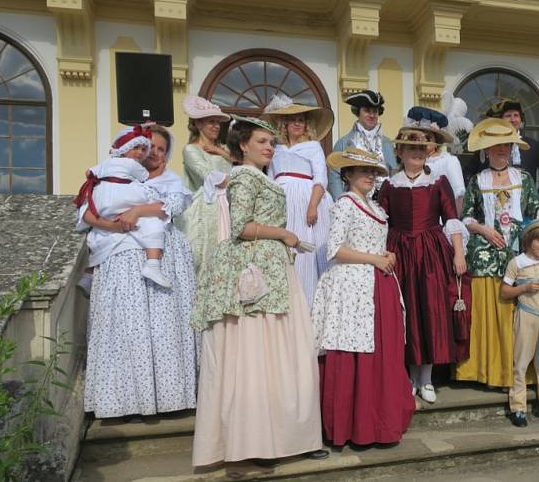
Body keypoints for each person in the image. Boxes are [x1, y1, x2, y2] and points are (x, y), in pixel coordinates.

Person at [190, 116, 327, 467]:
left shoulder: (259, 177)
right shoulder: (243, 177)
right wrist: (283, 234)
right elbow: (241, 226)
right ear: (243, 146)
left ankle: (285, 436)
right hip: (257, 270)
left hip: (273, 266)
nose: (269, 147)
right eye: (262, 142)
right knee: (261, 353)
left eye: (271, 143)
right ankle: (256, 440)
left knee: (281, 351)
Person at [79, 126, 198, 419]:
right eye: (149, 147)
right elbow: (88, 212)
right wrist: (115, 225)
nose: (153, 153)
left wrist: (138, 211)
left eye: (160, 148)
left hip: (163, 257)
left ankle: (169, 398)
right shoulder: (109, 180)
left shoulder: (171, 183)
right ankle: (125, 400)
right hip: (120, 257)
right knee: (124, 326)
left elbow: (173, 205)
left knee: (164, 327)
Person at [311, 147, 415, 447]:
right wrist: (374, 259)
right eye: (362, 171)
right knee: (354, 353)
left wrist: (386, 254)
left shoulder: (374, 207)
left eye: (373, 172)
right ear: (348, 175)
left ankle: (378, 420)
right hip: (353, 287)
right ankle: (353, 425)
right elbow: (335, 249)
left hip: (376, 283)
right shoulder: (345, 204)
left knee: (381, 353)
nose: (370, 176)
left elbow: (369, 243)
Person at [377, 106, 470, 405]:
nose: (417, 153)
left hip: (431, 251)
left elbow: (451, 219)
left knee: (430, 312)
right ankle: (407, 376)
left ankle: (426, 378)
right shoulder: (390, 185)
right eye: (411, 149)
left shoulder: (437, 183)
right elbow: (382, 221)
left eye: (422, 148)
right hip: (400, 251)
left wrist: (458, 254)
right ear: (400, 152)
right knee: (406, 312)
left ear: (429, 152)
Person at [453, 118, 539, 390]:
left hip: (520, 242)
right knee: (484, 275)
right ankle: (492, 368)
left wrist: (538, 235)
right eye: (495, 145)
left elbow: (537, 210)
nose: (501, 149)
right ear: (486, 150)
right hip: (488, 243)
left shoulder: (524, 179)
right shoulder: (478, 180)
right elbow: (465, 216)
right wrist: (483, 229)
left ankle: (518, 371)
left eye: (505, 144)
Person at [74, 125, 171, 289]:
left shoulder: (105, 166)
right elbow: (145, 178)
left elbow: (89, 173)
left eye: (143, 149)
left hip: (104, 203)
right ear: (125, 149)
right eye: (138, 148)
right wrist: (158, 173)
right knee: (153, 225)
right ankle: (153, 264)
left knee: (96, 239)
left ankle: (88, 275)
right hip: (120, 205)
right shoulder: (135, 170)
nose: (142, 153)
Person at [263, 94, 334, 308]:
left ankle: (311, 305)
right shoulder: (276, 149)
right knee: (286, 247)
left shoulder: (313, 146)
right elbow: (270, 179)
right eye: (292, 119)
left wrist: (312, 205)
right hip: (282, 201)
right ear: (284, 123)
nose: (297, 123)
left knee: (307, 250)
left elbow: (321, 178)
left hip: (307, 199)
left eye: (301, 120)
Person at [500, 219, 539, 428]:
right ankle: (518, 408)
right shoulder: (517, 263)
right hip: (526, 318)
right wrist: (525, 288)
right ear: (529, 240)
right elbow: (505, 291)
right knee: (521, 362)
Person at [175, 95, 232, 275]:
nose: (216, 126)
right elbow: (210, 176)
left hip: (228, 207)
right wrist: (239, 181)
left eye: (218, 122)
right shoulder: (191, 150)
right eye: (211, 122)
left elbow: (240, 165)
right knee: (203, 260)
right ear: (198, 124)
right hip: (204, 210)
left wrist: (219, 151)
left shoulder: (225, 150)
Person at [485, 98, 539, 220]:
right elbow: (471, 171)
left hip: (526, 208)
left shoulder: (533, 145)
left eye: (516, 115)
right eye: (508, 116)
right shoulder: (489, 146)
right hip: (495, 207)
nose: (513, 119)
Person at [328, 90, 396, 198]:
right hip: (356, 202)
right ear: (358, 112)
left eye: (375, 111)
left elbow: (394, 173)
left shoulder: (387, 143)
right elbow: (335, 177)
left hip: (385, 201)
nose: (372, 115)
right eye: (367, 111)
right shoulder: (344, 143)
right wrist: (341, 202)